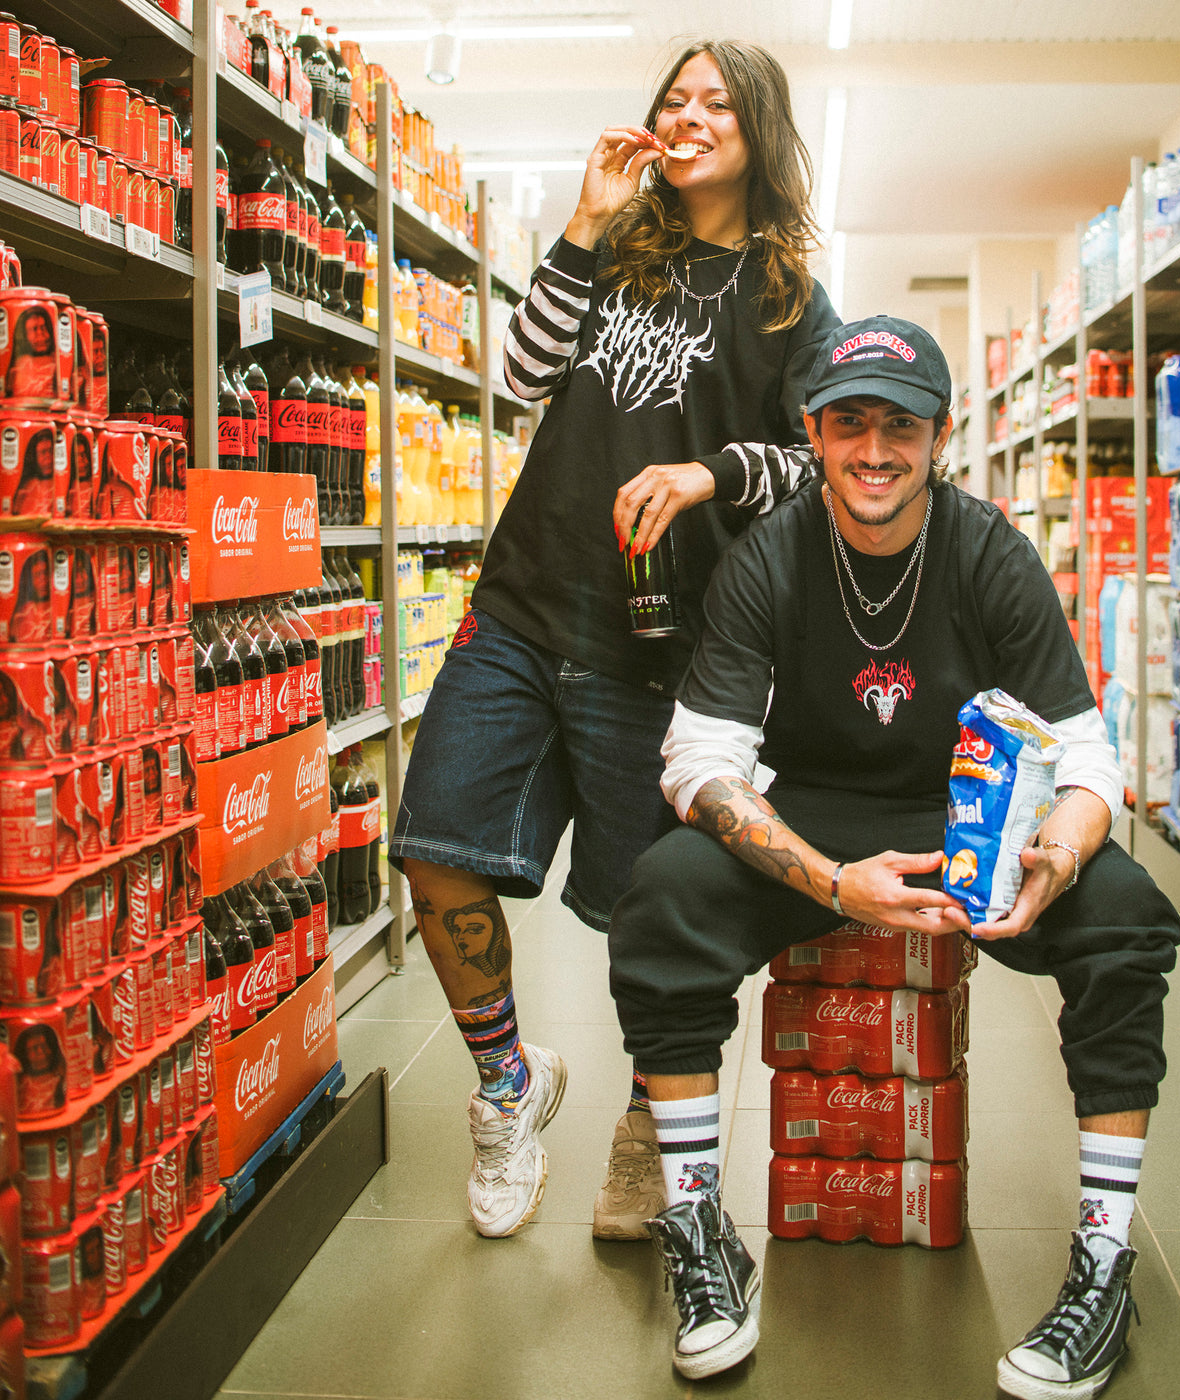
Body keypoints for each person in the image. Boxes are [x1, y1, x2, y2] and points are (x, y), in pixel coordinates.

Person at [608, 314, 1180, 1389]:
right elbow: (698, 762)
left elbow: (1084, 752)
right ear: (813, 433)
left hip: (967, 814)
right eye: (849, 420)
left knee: (1124, 915)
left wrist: (1058, 847)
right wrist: (831, 883)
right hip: (811, 815)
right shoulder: (766, 555)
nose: (874, 447)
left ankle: (1104, 1257)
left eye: (900, 424)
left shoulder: (989, 551)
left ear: (941, 434)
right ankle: (697, 1228)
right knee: (663, 896)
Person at [389, 38, 839, 1243]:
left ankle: (652, 1120)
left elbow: (822, 456)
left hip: (665, 647)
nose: (687, 116)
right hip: (527, 606)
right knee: (437, 844)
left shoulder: (786, 292)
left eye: (715, 102)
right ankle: (507, 1086)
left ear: (757, 129)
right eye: (671, 100)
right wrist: (582, 227)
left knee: (657, 915)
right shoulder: (617, 253)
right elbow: (521, 369)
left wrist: (710, 471)